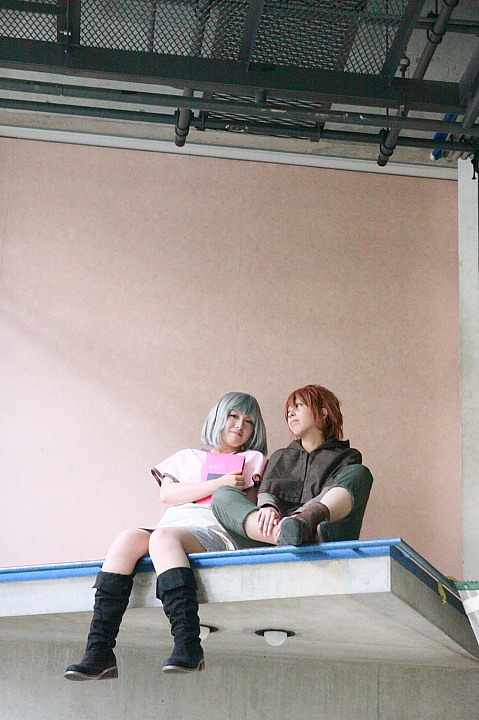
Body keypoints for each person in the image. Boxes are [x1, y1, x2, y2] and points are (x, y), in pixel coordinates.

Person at [64, 392, 267, 681]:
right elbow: (168, 494)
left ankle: (188, 645)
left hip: (214, 532)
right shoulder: (187, 457)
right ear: (218, 417)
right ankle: (98, 653)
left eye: (249, 421)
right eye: (233, 416)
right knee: (127, 538)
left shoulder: (253, 460)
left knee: (162, 539)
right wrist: (220, 483)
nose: (239, 425)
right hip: (173, 526)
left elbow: (249, 508)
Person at [211, 384, 373, 549]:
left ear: (323, 413)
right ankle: (290, 536)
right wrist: (268, 508)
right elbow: (267, 492)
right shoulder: (280, 456)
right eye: (289, 410)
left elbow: (331, 494)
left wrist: (301, 518)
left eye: (298, 406)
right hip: (273, 538)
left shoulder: (347, 456)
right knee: (223, 495)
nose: (290, 413)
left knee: (360, 473)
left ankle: (300, 529)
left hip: (326, 534)